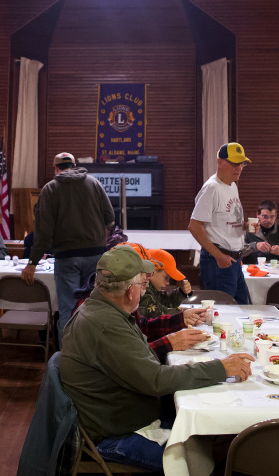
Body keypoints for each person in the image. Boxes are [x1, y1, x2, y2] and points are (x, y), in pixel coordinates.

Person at [59, 245, 254, 471]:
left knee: (208, 431)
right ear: (131, 291)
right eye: (143, 284)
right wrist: (221, 368)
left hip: (120, 416)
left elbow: (141, 361)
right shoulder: (106, 325)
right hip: (115, 434)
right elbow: (156, 380)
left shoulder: (103, 309)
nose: (144, 289)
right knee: (201, 461)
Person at [22, 151, 115, 344]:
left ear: (55, 168)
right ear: (74, 166)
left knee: (68, 310)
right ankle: (92, 355)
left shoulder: (50, 188)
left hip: (67, 256)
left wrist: (33, 262)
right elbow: (110, 217)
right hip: (96, 255)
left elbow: (43, 231)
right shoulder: (94, 183)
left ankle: (68, 360)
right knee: (95, 307)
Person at [188, 142, 252, 304]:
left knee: (242, 309)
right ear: (220, 162)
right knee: (222, 313)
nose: (239, 168)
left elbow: (225, 219)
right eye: (234, 163)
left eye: (242, 164)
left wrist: (244, 226)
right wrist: (218, 256)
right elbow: (194, 226)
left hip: (233, 260)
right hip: (218, 261)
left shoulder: (232, 185)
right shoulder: (212, 188)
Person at [129, 243, 192, 317]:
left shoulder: (152, 289)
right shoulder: (143, 290)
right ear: (152, 271)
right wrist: (186, 313)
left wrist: (181, 292)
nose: (168, 283)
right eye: (166, 278)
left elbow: (167, 303)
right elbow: (157, 313)